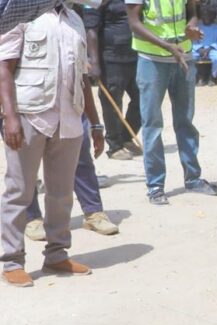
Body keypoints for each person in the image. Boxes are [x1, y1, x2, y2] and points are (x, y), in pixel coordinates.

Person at [0, 3, 107, 287]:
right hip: (30, 116)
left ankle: (57, 254)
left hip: (69, 118)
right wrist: (9, 116)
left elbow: (83, 77)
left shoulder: (75, 19)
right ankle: (12, 261)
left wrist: (95, 123)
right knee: (18, 191)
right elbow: (4, 67)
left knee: (61, 193)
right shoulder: (22, 14)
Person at [127, 0, 217, 205]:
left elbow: (191, 12)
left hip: (183, 58)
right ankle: (155, 186)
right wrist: (167, 46)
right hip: (152, 61)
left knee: (185, 121)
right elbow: (134, 23)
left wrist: (192, 27)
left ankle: (193, 178)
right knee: (152, 124)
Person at [25, 115, 120, 241]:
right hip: (24, 108)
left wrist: (96, 124)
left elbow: (85, 94)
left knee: (80, 155)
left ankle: (93, 211)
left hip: (67, 106)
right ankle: (31, 217)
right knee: (26, 165)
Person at [84, 0, 144, 161]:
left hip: (137, 53)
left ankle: (125, 136)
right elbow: (91, 30)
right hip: (111, 57)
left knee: (143, 98)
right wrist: (94, 62)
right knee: (112, 102)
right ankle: (115, 145)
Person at [193, 5, 217, 86]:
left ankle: (212, 77)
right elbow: (193, 41)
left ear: (213, 16)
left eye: (209, 15)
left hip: (212, 50)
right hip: (198, 50)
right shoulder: (196, 26)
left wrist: (209, 49)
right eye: (204, 15)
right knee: (189, 57)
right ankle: (199, 77)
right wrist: (200, 49)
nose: (207, 17)